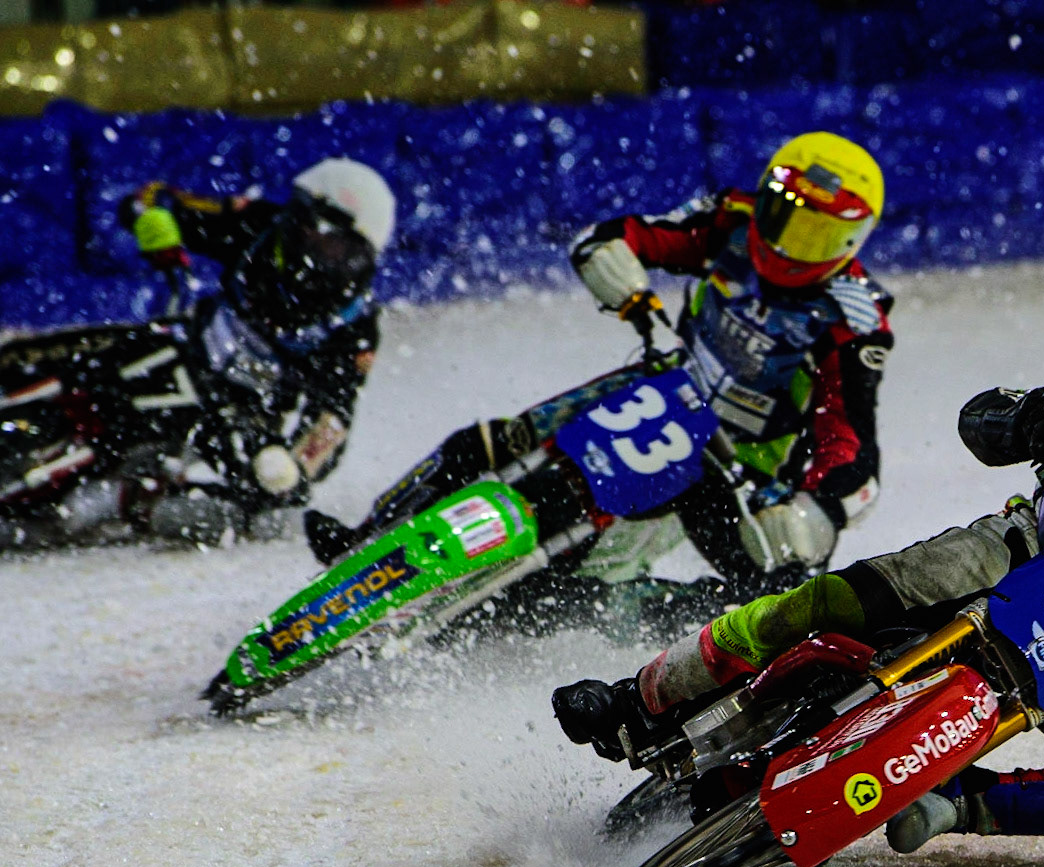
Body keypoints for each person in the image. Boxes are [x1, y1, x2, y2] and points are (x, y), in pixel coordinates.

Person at [555, 277, 1044, 849]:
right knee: (831, 599)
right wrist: (1039, 419)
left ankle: (959, 800)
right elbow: (1013, 411)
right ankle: (643, 697)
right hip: (1012, 550)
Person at [301, 132, 892, 633]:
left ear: (847, 243)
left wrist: (816, 509)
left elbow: (852, 444)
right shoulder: (731, 220)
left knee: (757, 591)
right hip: (662, 383)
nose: (786, 238)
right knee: (484, 443)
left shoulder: (854, 318)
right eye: (780, 211)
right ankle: (363, 542)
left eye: (811, 234)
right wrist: (626, 283)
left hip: (741, 461)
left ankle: (636, 618)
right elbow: (615, 236)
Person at [0, 158, 395, 537]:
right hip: (177, 344)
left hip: (240, 411)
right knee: (26, 357)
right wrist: (152, 221)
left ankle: (140, 502)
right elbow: (152, 199)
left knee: (268, 499)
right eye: (327, 238)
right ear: (302, 218)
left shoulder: (355, 326)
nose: (330, 258)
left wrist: (296, 466)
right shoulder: (258, 226)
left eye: (348, 250)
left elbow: (333, 416)